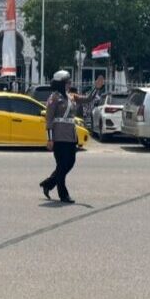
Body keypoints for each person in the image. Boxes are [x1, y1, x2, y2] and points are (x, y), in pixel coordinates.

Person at [40, 71, 104, 204]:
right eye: (67, 82)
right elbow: (49, 119)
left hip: (70, 135)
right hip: (58, 136)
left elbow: (88, 99)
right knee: (62, 165)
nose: (70, 84)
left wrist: (96, 88)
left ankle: (48, 183)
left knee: (69, 163)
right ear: (61, 84)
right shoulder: (54, 98)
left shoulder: (71, 97)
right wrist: (50, 139)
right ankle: (63, 195)